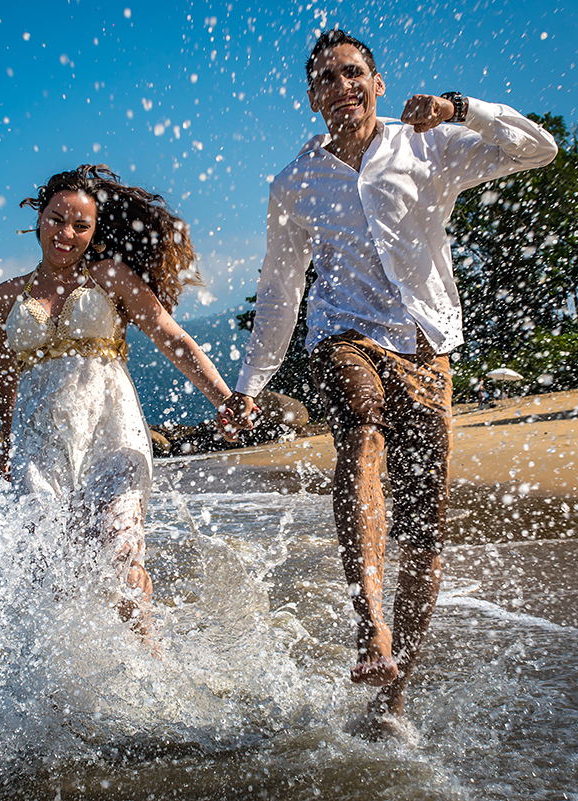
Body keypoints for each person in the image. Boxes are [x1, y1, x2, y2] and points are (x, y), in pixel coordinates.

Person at [218, 30, 557, 731]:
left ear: (377, 83)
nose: (340, 85)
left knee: (425, 533)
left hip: (427, 350)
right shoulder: (294, 183)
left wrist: (462, 107)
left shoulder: (427, 145)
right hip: (343, 337)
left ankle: (394, 683)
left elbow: (538, 148)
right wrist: (251, 384)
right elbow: (281, 292)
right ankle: (370, 624)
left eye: (352, 73)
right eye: (326, 79)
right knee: (361, 436)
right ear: (313, 100)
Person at [0, 164, 235, 640]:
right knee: (47, 574)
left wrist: (224, 400)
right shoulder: (5, 297)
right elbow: (5, 372)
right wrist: (7, 437)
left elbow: (170, 336)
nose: (67, 233)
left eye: (81, 225)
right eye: (58, 219)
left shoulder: (110, 277)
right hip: (40, 446)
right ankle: (64, 692)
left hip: (113, 434)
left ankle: (151, 665)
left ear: (96, 230)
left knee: (121, 559)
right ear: (39, 216)